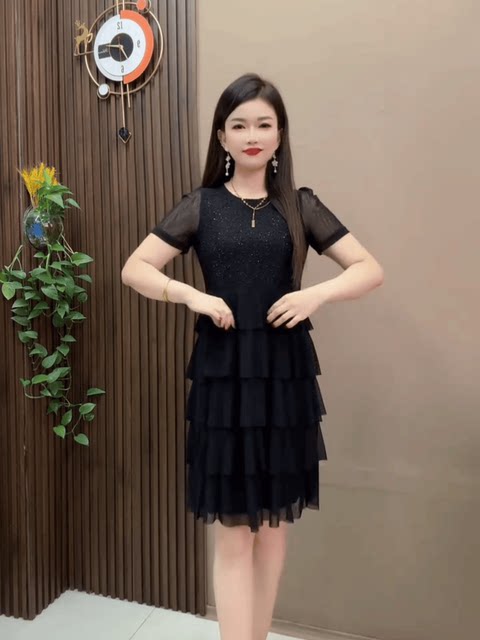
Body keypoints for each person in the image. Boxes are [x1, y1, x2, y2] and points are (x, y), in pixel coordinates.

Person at [121, 72, 384, 640]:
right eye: (239, 125)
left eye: (264, 124)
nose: (252, 135)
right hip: (223, 378)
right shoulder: (202, 205)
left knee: (274, 533)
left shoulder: (300, 205)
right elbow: (135, 268)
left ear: (280, 134)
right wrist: (191, 295)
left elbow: (369, 269)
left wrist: (315, 295)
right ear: (221, 136)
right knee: (235, 534)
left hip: (285, 379)